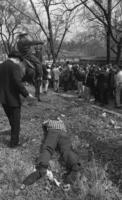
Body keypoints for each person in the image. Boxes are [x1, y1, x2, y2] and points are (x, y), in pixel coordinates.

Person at [23, 117, 82, 186]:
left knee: (48, 148)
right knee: (67, 150)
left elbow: (44, 124)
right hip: (63, 133)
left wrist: (46, 123)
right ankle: (75, 165)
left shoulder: (49, 121)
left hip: (53, 132)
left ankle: (42, 167)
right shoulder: (62, 123)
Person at [0, 51, 34, 148]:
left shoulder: (1, 66)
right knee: (16, 121)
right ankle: (14, 143)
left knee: (11, 119)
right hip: (13, 98)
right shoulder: (14, 66)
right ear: (17, 59)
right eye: (19, 61)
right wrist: (27, 94)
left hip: (3, 98)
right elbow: (17, 82)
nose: (19, 63)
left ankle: (14, 135)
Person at [17, 33, 43, 101]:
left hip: (21, 56)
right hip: (28, 56)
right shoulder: (24, 40)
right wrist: (41, 42)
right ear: (23, 36)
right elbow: (32, 42)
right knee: (38, 62)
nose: (26, 36)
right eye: (25, 35)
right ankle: (39, 75)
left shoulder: (18, 42)